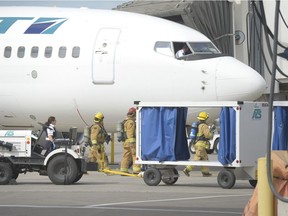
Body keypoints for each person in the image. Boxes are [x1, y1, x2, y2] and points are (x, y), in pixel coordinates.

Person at [183, 112, 213, 177]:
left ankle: (205, 173)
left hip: (197, 144)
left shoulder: (198, 125)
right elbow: (208, 136)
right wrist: (211, 132)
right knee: (198, 158)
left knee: (205, 158)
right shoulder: (204, 126)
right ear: (205, 118)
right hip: (201, 145)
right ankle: (187, 169)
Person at [120, 107, 141, 174]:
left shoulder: (126, 121)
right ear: (134, 114)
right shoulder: (131, 122)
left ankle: (123, 170)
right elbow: (130, 133)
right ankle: (136, 170)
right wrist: (132, 142)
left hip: (126, 142)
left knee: (126, 156)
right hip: (130, 142)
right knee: (135, 155)